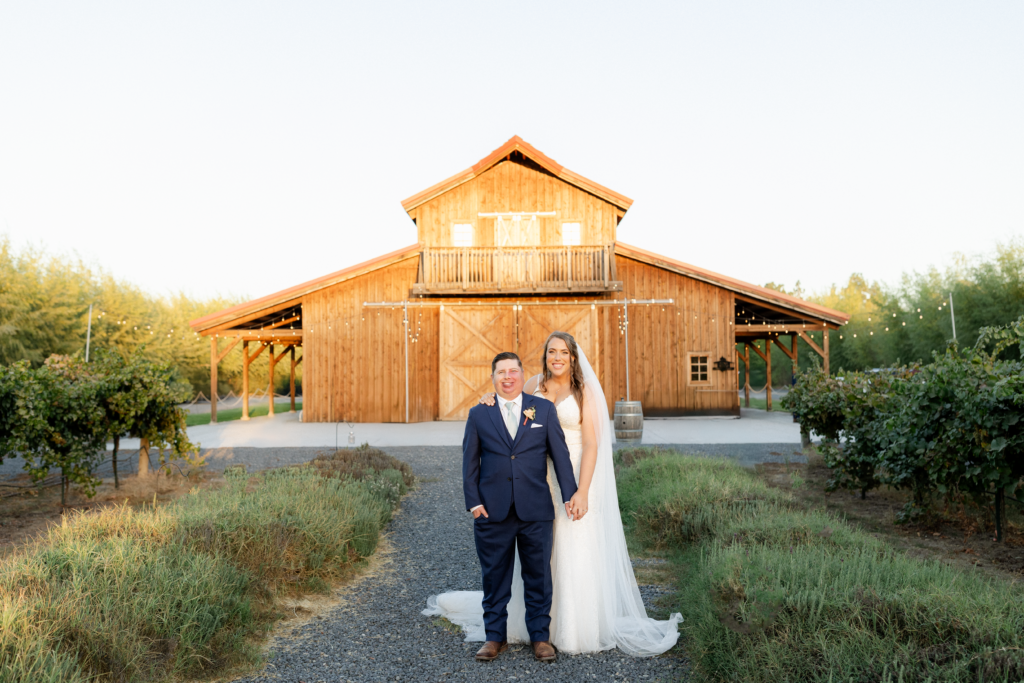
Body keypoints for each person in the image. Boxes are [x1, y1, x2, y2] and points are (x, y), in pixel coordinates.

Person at [424, 333, 682, 657]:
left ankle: (568, 628)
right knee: (534, 558)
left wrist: (581, 491)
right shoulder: (533, 384)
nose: (557, 357)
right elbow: (507, 403)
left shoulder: (584, 390)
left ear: (573, 357)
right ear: (544, 356)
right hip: (535, 477)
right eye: (551, 352)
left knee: (567, 552)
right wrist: (487, 400)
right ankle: (517, 630)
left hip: (573, 472)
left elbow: (591, 444)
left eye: (563, 352)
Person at [447, 351, 579, 663]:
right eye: (501, 372)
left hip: (535, 509)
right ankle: (494, 637)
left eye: (513, 371)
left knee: (538, 577)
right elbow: (469, 462)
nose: (508, 377)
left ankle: (540, 638)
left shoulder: (543, 410)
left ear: (523, 376)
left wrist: (570, 495)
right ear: (493, 379)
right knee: (494, 577)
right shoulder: (480, 413)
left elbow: (560, 456)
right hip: (492, 510)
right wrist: (474, 503)